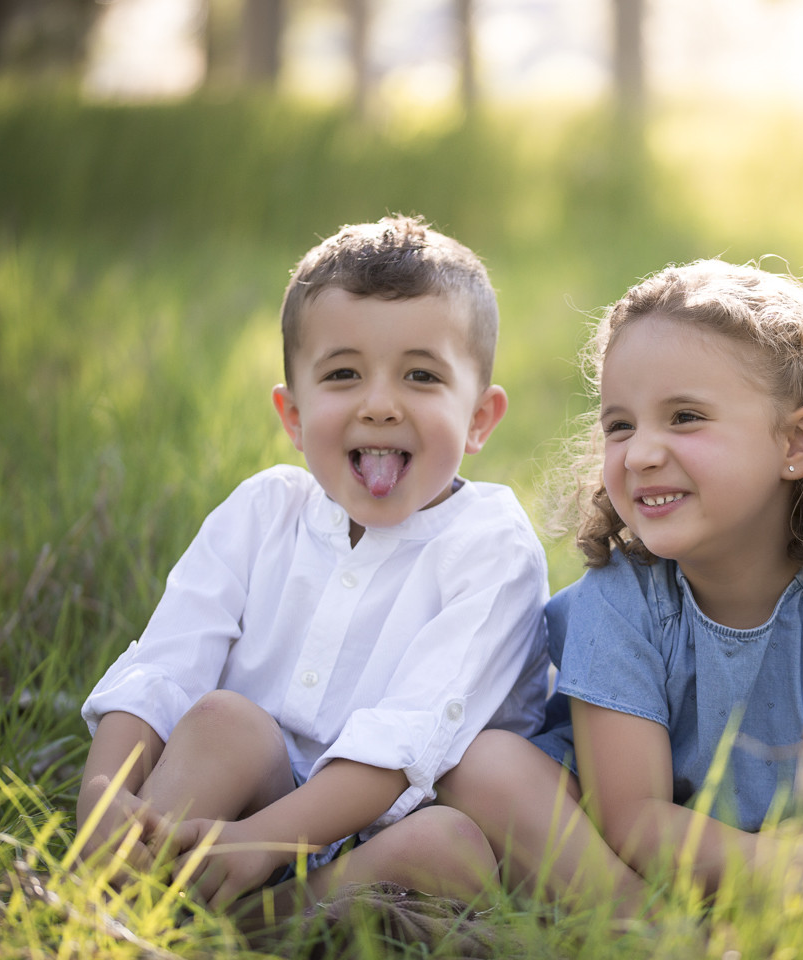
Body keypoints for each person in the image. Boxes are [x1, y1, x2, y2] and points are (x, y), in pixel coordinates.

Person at [438, 259, 803, 935]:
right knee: (484, 764)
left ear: (797, 441)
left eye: (685, 418)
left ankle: (726, 935)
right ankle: (659, 937)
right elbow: (632, 819)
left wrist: (794, 882)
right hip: (630, 864)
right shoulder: (623, 596)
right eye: (620, 426)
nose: (640, 454)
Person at [75, 215, 550, 916]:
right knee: (221, 720)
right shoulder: (264, 511)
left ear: (480, 417)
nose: (380, 404)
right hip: (235, 805)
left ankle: (265, 925)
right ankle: (115, 901)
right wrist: (103, 798)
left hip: (383, 834)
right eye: (343, 374)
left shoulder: (491, 547)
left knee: (449, 845)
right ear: (293, 416)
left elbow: (407, 738)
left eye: (421, 375)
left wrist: (263, 843)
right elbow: (165, 665)